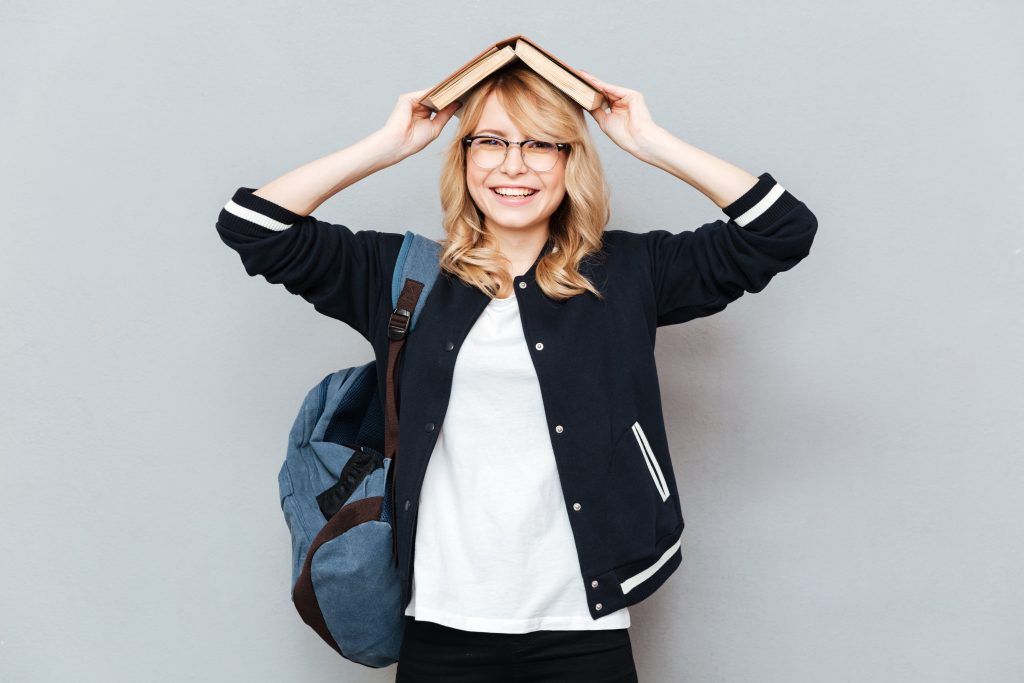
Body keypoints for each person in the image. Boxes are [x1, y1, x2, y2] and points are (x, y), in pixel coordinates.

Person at [216, 62, 817, 682]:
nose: (513, 166)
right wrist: (388, 145)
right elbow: (255, 227)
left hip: (582, 626)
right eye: (492, 142)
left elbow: (781, 231)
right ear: (465, 157)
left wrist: (648, 141)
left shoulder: (629, 273)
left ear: (569, 161)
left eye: (540, 144)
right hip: (442, 624)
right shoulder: (403, 277)